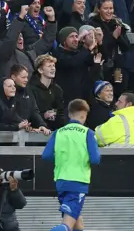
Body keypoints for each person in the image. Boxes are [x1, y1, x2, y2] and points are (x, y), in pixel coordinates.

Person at [42, 99, 101, 231]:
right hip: (78, 181)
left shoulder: (58, 132)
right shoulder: (88, 133)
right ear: (84, 115)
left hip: (61, 180)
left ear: (69, 114)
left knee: (75, 219)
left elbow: (46, 155)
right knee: (67, 225)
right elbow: (95, 159)